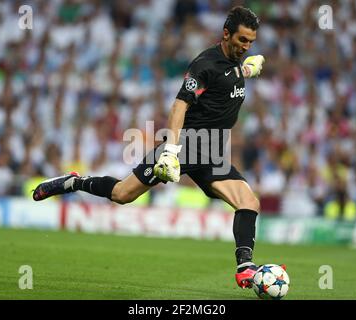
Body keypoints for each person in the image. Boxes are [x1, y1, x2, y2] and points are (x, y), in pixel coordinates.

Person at [33, 6, 268, 288]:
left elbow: (227, 79)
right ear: (226, 34)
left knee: (249, 202)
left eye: (251, 42)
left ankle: (245, 267)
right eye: (242, 40)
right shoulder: (204, 64)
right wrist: (171, 150)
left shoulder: (235, 63)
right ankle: (74, 182)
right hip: (188, 145)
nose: (247, 46)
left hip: (213, 152)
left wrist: (246, 70)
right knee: (122, 194)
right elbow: (180, 104)